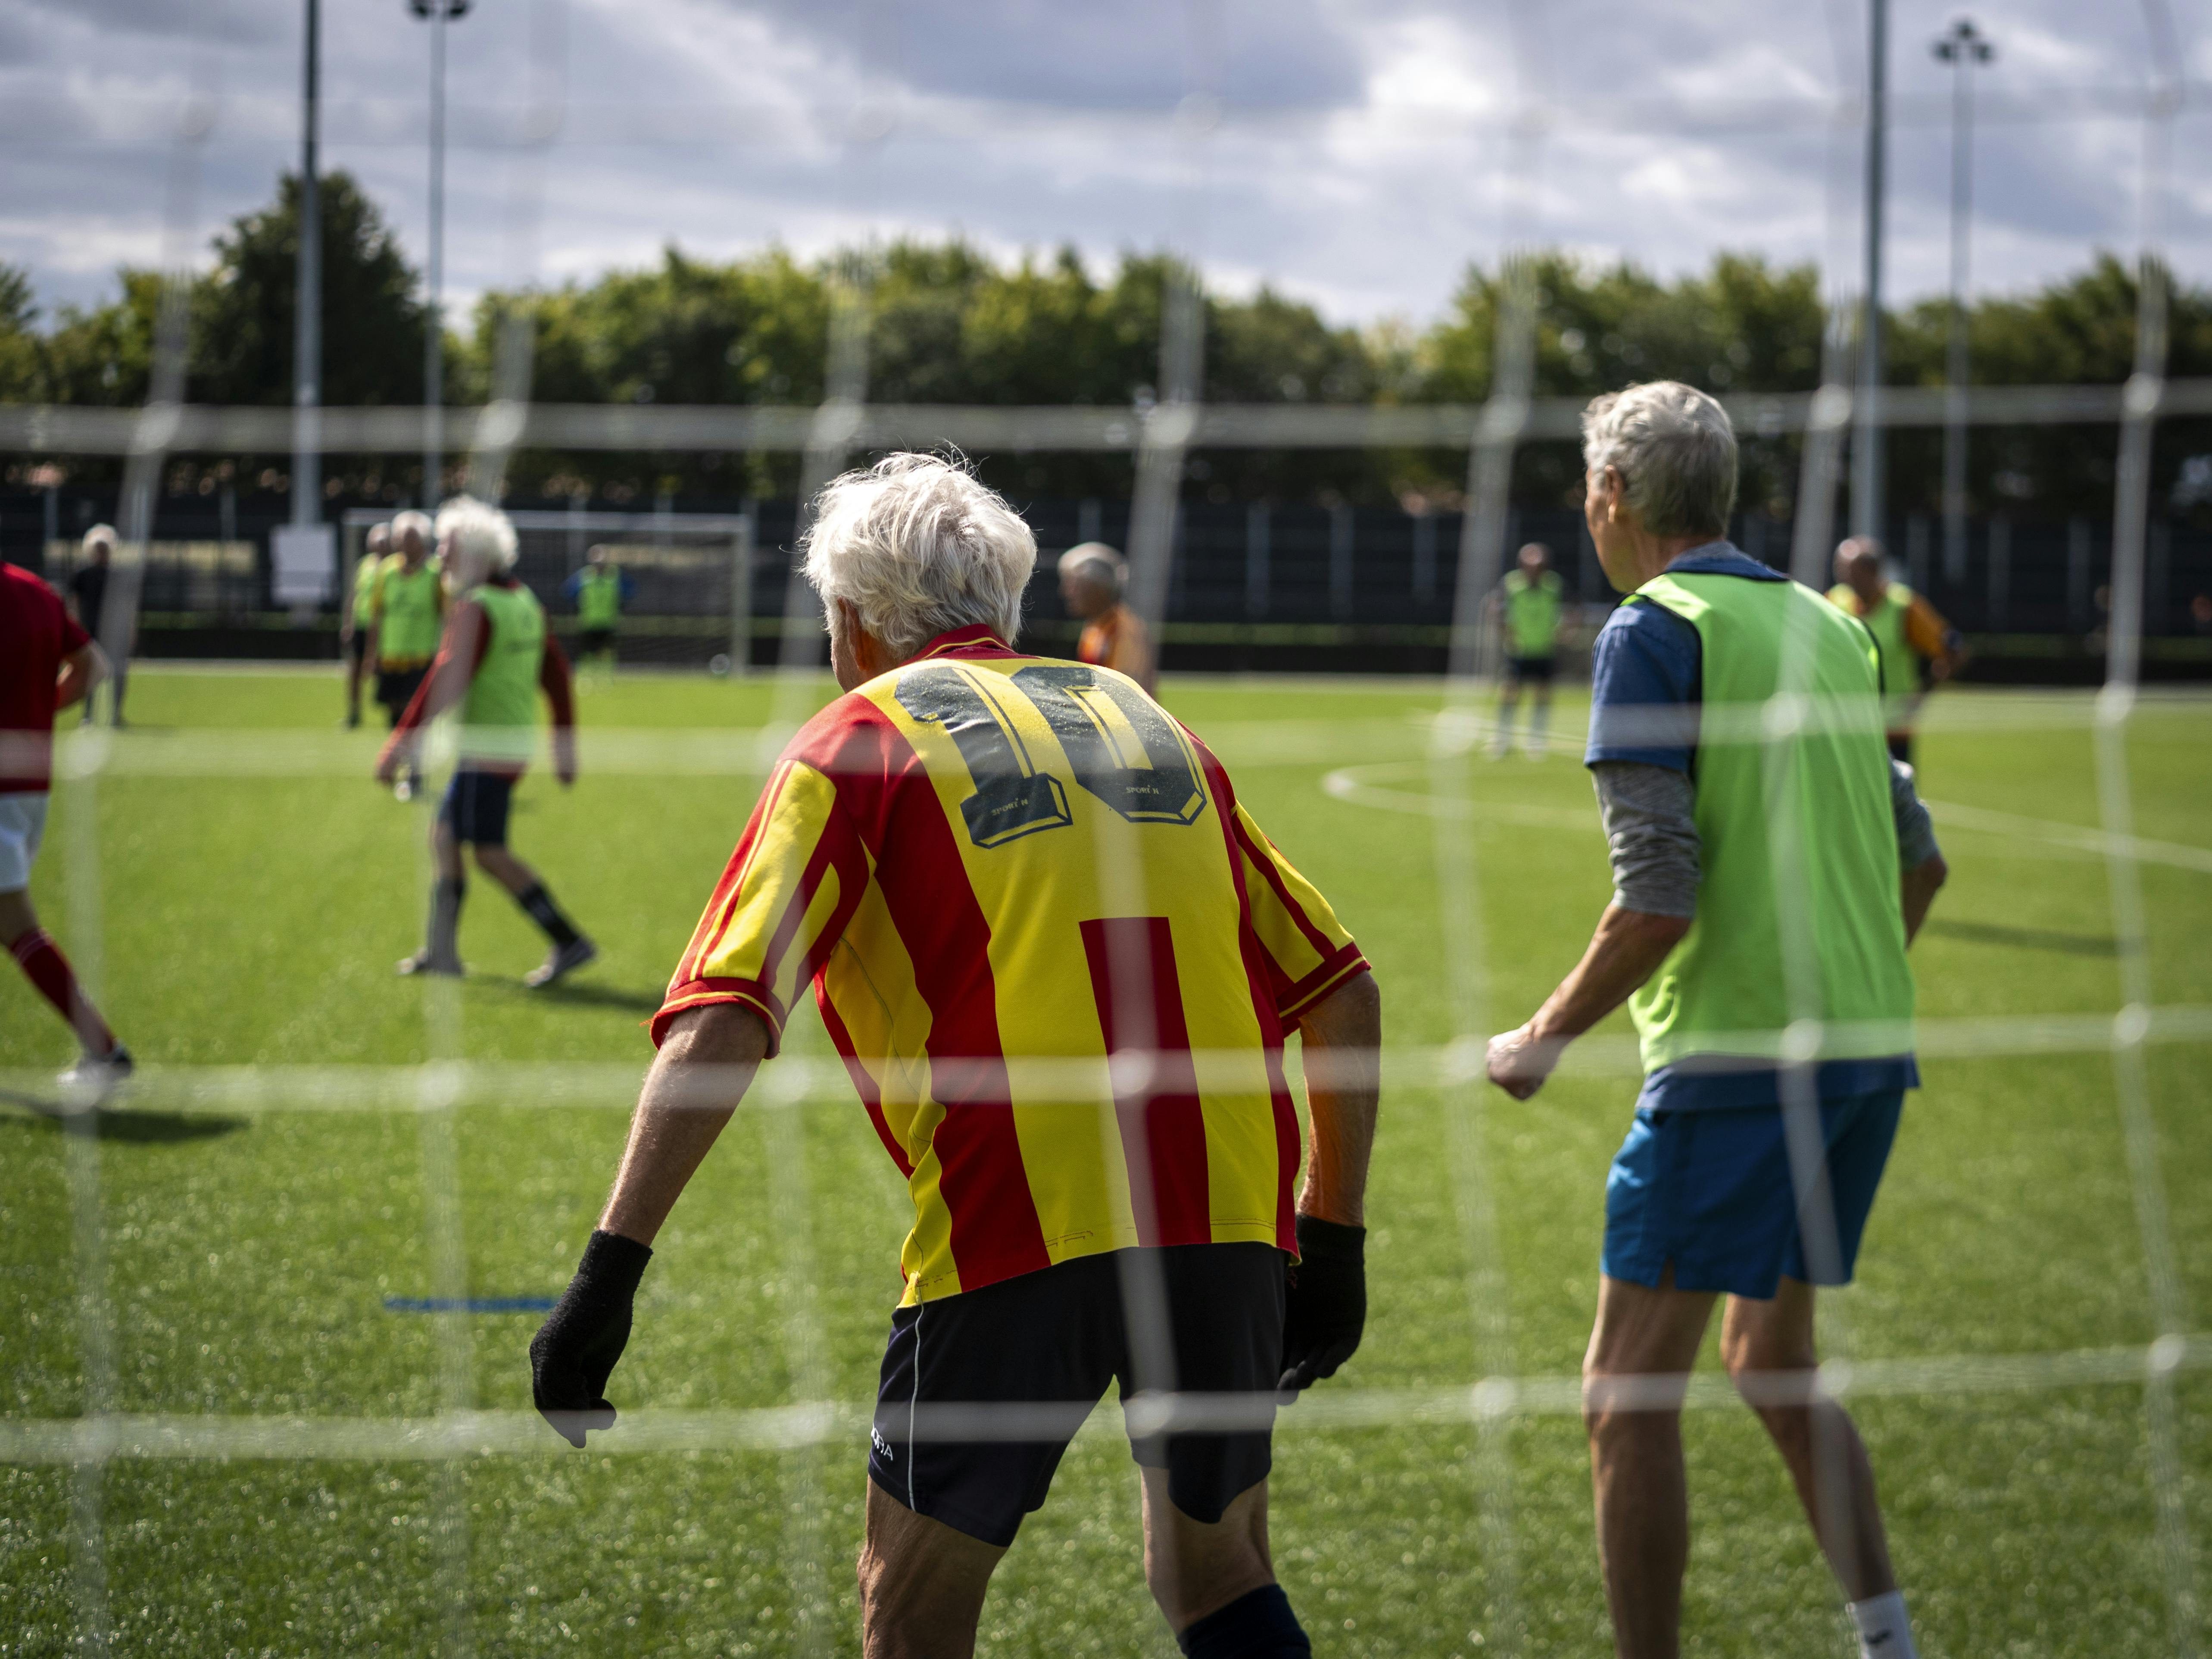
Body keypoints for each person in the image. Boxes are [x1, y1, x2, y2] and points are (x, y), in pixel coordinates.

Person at [529, 454, 1382, 1659]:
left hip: (1015, 1217)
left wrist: (606, 1274)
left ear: (853, 619)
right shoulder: (1150, 723)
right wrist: (1332, 1242)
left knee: (910, 1608)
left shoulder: (850, 741)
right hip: (1226, 1207)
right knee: (1216, 1569)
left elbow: (724, 1017)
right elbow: (1343, 992)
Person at [1483, 383, 1948, 1659]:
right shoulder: (1827, 624)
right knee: (1770, 1359)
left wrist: (1537, 1036)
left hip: (1736, 1061)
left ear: (1611, 493)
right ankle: (1890, 1639)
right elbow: (1921, 861)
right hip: (1864, 1053)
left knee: (1622, 1393)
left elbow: (1657, 896)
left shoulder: (1653, 628)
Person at [375, 497, 596, 989]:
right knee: (445, 837)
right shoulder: (525, 601)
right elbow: (557, 675)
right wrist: (563, 745)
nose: (440, 556)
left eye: (447, 547)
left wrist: (399, 746)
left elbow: (444, 682)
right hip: (507, 746)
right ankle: (442, 952)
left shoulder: (476, 607)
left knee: (490, 853)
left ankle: (568, 940)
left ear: (475, 554)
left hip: (489, 751)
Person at [0, 560, 131, 1091]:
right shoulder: (35, 591)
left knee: (18, 926)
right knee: (13, 926)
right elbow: (93, 666)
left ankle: (106, 1053)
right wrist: (34, 712)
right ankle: (105, 1052)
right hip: (30, 784)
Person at [1825, 538, 1967, 767]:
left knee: (1893, 790)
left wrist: (1921, 696)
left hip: (1893, 732)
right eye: (1840, 570)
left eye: (1851, 572)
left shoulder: (1904, 606)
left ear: (1872, 572)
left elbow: (1953, 652)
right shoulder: (1833, 601)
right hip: (1847, 727)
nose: (1844, 578)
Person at [371, 510, 446, 799]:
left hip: (421, 658)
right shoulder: (386, 571)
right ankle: (399, 765)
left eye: (412, 537)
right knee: (394, 715)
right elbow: (377, 615)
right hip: (391, 657)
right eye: (402, 537)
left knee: (417, 719)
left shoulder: (436, 573)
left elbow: (447, 615)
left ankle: (415, 775)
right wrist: (372, 654)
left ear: (423, 540)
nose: (406, 543)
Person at [1489, 541, 1567, 758]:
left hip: (1544, 649)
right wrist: (1506, 633)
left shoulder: (1554, 585)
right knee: (1509, 693)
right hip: (1518, 650)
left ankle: (1537, 739)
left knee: (1542, 694)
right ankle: (1503, 738)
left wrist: (1563, 632)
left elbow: (1570, 609)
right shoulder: (1511, 584)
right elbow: (1496, 609)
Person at [1060, 541, 1157, 694]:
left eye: (1074, 585)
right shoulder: (1097, 626)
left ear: (1099, 587)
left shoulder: (1123, 630)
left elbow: (1127, 693)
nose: (1066, 593)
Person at [65, 525, 128, 728]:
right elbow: (74, 603)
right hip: (89, 631)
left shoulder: (117, 576)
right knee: (90, 672)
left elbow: (125, 606)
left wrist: (128, 629)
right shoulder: (82, 575)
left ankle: (115, 715)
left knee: (118, 672)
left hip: (113, 632)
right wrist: (76, 627)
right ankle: (89, 715)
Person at [341, 522, 390, 730]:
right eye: (376, 542)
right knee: (354, 670)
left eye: (383, 542)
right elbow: (355, 594)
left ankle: (393, 715)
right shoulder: (364, 565)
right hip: (362, 625)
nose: (379, 546)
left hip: (384, 628)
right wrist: (348, 623)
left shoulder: (394, 567)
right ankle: (354, 713)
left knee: (386, 671)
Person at [561, 544, 634, 679]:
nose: (599, 565)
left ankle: (606, 677)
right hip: (589, 621)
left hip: (609, 621)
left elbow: (630, 591)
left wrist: (620, 604)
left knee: (608, 651)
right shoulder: (585, 576)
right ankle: (587, 677)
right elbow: (569, 591)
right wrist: (579, 606)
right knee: (587, 651)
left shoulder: (615, 575)